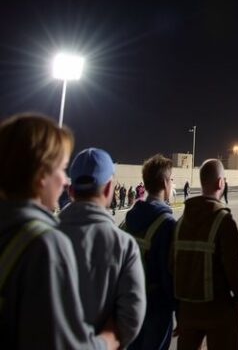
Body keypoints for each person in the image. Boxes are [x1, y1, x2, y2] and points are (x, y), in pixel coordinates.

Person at [0, 113, 118, 349]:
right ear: (41, 174)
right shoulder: (45, 243)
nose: (65, 181)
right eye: (62, 169)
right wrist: (109, 339)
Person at [59, 147, 146, 348]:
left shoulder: (45, 237)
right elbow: (131, 318)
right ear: (108, 189)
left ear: (71, 191)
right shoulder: (123, 245)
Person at [173, 158, 238, 349]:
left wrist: (178, 309)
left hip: (187, 308)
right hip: (218, 309)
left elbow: (173, 266)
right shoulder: (224, 221)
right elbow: (233, 266)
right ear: (221, 183)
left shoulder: (181, 222)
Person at [122, 154, 177, 350]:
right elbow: (169, 273)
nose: (172, 184)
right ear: (164, 182)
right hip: (156, 307)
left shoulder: (127, 220)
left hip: (128, 304)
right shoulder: (168, 225)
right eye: (171, 180)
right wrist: (177, 310)